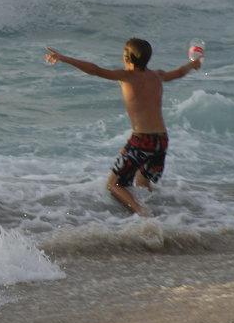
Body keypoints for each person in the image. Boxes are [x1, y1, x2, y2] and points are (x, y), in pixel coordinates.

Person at [44, 38, 201, 217]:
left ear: (127, 58)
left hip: (142, 140)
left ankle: (143, 214)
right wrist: (193, 64)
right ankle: (165, 217)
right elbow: (180, 72)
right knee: (142, 184)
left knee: (113, 185)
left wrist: (64, 58)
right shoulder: (157, 75)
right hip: (161, 139)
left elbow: (95, 70)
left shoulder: (126, 76)